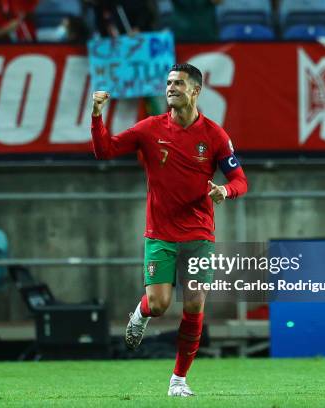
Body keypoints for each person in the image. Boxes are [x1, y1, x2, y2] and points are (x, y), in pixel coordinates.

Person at [91, 63, 248, 397]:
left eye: (178, 83)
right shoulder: (150, 128)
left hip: (199, 234)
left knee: (193, 305)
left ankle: (178, 380)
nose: (171, 87)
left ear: (195, 90)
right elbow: (104, 150)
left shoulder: (215, 135)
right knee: (160, 304)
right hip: (160, 233)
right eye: (168, 82)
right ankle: (141, 313)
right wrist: (96, 115)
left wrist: (225, 191)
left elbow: (240, 180)